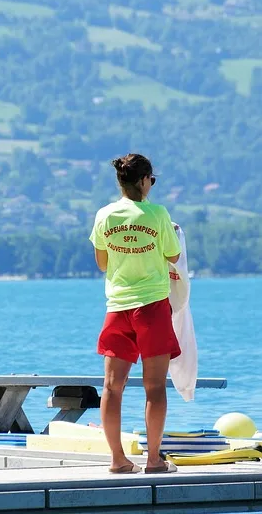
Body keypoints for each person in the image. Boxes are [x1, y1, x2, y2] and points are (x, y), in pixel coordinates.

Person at [89, 153, 181, 474]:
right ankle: (154, 460)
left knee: (112, 387)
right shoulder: (158, 215)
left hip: (118, 307)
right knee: (154, 387)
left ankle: (118, 459)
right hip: (152, 307)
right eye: (151, 180)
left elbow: (102, 264)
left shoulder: (104, 216)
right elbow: (173, 254)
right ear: (144, 181)